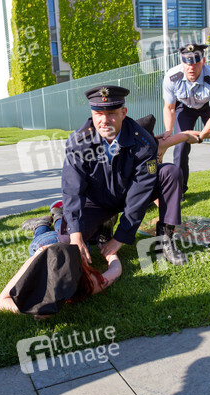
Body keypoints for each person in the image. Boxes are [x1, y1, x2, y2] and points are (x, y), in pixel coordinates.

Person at [59, 85, 186, 265]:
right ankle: (99, 223)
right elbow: (72, 189)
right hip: (97, 200)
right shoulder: (79, 143)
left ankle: (165, 241)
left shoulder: (143, 143)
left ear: (123, 112)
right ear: (91, 113)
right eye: (98, 114)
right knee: (66, 240)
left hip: (128, 194)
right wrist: (76, 235)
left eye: (111, 113)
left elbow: (140, 193)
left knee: (170, 172)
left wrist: (120, 238)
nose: (104, 121)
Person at [0, 211, 122, 319]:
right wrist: (109, 253)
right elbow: (116, 270)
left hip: (59, 246)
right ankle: (53, 219)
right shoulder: (87, 283)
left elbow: (2, 300)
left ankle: (47, 222)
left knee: (49, 233)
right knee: (58, 231)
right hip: (58, 245)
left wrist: (30, 309)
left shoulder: (33, 266)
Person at [162, 43, 210, 195]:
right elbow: (169, 108)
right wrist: (168, 131)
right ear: (181, 61)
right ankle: (179, 191)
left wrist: (201, 136)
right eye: (187, 63)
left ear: (203, 61)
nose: (191, 67)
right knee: (180, 146)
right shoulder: (172, 77)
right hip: (184, 108)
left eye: (196, 62)